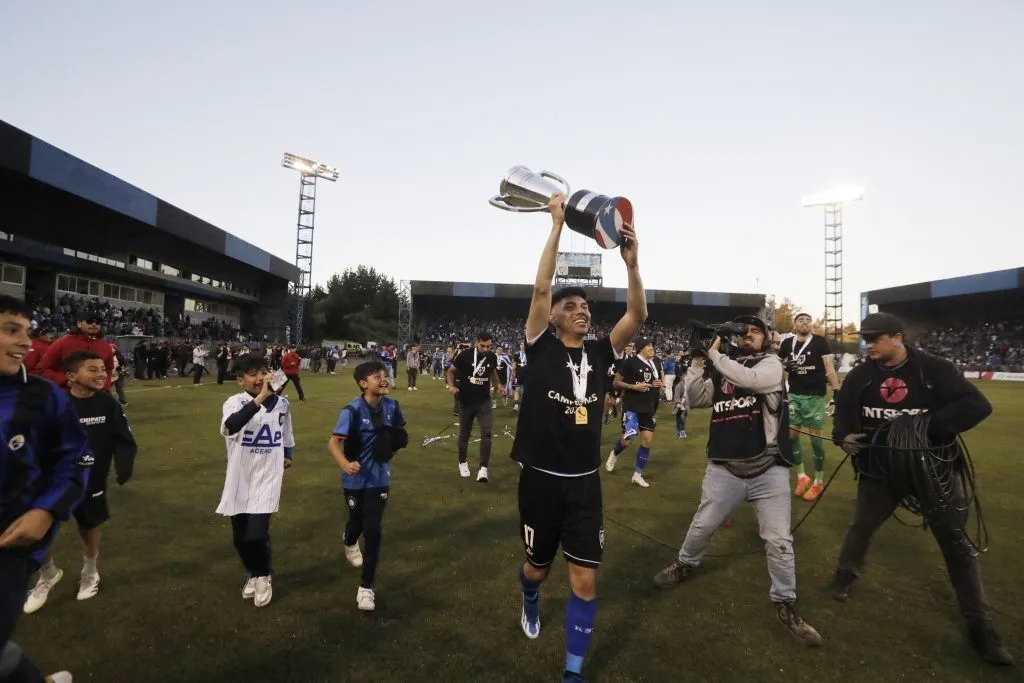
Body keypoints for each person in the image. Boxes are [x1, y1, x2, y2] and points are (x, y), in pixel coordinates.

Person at [512, 193, 645, 683]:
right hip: (541, 481)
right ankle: (528, 594)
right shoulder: (539, 346)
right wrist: (555, 225)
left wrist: (632, 263)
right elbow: (542, 287)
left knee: (585, 581)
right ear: (554, 318)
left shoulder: (603, 352)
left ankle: (572, 674)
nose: (582, 310)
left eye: (586, 305)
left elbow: (636, 317)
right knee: (538, 571)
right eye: (572, 306)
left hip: (585, 484)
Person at [830, 312, 1013, 666]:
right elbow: (844, 410)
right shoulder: (861, 375)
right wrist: (843, 436)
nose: (868, 345)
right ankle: (844, 575)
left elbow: (977, 405)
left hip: (932, 471)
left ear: (897, 338)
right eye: (866, 338)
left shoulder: (933, 369)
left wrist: (925, 426)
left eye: (875, 338)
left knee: (957, 544)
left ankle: (980, 626)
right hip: (880, 471)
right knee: (861, 526)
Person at [653, 316, 822, 648]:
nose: (748, 336)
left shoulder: (772, 364)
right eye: (742, 332)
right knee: (702, 526)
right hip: (725, 467)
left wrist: (716, 356)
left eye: (755, 331)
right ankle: (685, 564)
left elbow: (753, 380)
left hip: (769, 468)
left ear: (765, 339)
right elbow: (697, 397)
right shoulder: (724, 368)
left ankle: (784, 602)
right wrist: (700, 360)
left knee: (778, 540)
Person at [0, 295, 89, 683]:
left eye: (28, 332)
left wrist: (47, 510)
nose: (25, 342)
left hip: (11, 543)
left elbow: (78, 458)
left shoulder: (43, 397)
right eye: (10, 330)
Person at [24, 352, 137, 614]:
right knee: (35, 530)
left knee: (89, 524)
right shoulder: (56, 404)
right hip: (52, 480)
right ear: (71, 376)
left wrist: (124, 465)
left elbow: (123, 437)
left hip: (91, 478)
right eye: (93, 370)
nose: (101, 374)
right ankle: (47, 574)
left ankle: (90, 571)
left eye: (102, 369)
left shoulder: (107, 404)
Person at [327, 361, 408, 612]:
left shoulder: (392, 407)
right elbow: (333, 443)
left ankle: (366, 587)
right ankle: (349, 540)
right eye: (377, 376)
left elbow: (398, 433)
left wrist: (395, 443)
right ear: (364, 383)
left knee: (373, 529)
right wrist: (345, 464)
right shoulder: (351, 410)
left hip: (379, 478)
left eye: (385, 375)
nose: (383, 379)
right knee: (356, 523)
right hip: (355, 479)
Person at [216, 354, 295, 608]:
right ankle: (253, 572)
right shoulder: (233, 402)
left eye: (263, 372)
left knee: (256, 534)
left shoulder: (282, 403)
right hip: (240, 477)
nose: (260, 378)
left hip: (268, 476)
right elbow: (231, 427)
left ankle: (263, 576)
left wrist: (287, 454)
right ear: (240, 381)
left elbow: (286, 432)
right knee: (240, 538)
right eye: (252, 374)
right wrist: (260, 398)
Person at [779, 312, 841, 502]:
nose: (805, 323)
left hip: (814, 396)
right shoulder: (786, 344)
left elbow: (829, 368)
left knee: (815, 441)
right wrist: (786, 366)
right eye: (801, 320)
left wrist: (837, 389)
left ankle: (819, 481)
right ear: (795, 324)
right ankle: (801, 476)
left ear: (811, 325)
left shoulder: (820, 342)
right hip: (794, 394)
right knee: (791, 437)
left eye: (808, 320)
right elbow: (780, 364)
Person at [605, 339, 662, 488]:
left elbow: (655, 382)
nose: (652, 348)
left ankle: (637, 475)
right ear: (641, 348)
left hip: (649, 407)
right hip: (632, 406)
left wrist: (658, 384)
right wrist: (633, 387)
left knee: (647, 440)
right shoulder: (631, 362)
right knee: (628, 440)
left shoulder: (655, 363)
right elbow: (616, 382)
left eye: (652, 346)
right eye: (649, 346)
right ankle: (614, 453)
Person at [446, 333, 502, 482]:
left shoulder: (491, 357)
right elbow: (450, 371)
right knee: (465, 434)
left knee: (487, 433)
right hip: (466, 401)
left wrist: (498, 385)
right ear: (476, 343)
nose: (485, 349)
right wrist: (451, 386)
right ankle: (462, 462)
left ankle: (483, 469)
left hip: (483, 401)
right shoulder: (464, 355)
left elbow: (492, 373)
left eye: (488, 346)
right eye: (482, 346)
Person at [36, 313, 114, 391]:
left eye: (98, 322)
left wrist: (104, 386)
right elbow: (42, 369)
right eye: (89, 321)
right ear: (79, 324)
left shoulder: (105, 346)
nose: (94, 324)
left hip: (96, 396)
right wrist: (65, 380)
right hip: (67, 394)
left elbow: (109, 369)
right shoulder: (63, 343)